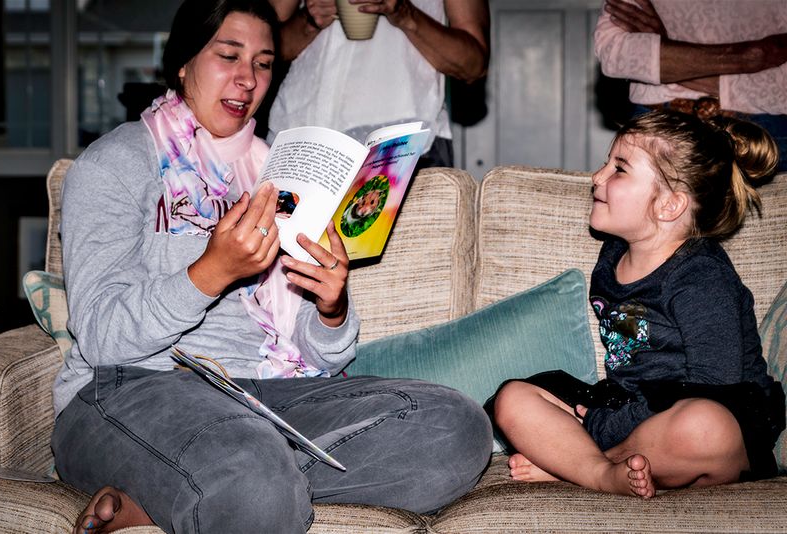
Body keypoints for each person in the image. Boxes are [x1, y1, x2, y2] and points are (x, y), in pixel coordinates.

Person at [52, 1, 493, 533]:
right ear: (183, 64)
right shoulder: (115, 163)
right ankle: (227, 481)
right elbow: (100, 336)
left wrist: (331, 308)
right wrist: (211, 271)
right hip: (132, 383)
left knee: (455, 428)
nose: (247, 79)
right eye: (229, 56)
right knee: (252, 468)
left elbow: (316, 357)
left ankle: (179, 490)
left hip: (261, 391)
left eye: (263, 63)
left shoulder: (279, 173)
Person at [488, 109, 785, 499]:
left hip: (715, 414)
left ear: (669, 206)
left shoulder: (700, 275)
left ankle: (580, 466)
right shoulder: (611, 257)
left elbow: (717, 384)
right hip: (625, 405)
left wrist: (609, 426)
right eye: (605, 163)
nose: (597, 176)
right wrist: (606, 416)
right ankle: (599, 471)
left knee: (703, 426)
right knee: (513, 398)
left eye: (619, 169)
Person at [266, 0, 490, 169]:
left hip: (403, 149)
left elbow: (473, 64)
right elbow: (260, 49)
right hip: (298, 141)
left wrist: (404, 13)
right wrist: (309, 19)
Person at [594, 0, 787, 171]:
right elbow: (617, 54)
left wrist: (667, 51)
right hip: (660, 123)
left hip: (762, 133)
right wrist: (749, 58)